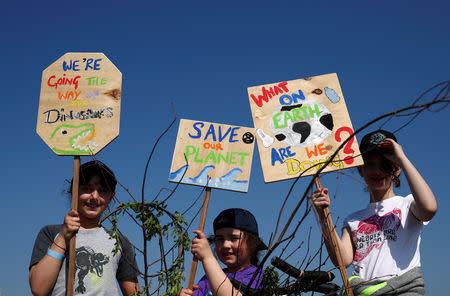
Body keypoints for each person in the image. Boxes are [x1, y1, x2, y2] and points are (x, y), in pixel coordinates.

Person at [312, 130, 437, 295]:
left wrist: (402, 158)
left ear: (397, 169)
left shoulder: (408, 205)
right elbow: (342, 260)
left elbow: (429, 208)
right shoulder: (353, 220)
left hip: (404, 290)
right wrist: (323, 216)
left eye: (385, 164)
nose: (377, 171)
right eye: (369, 164)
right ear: (360, 170)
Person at [29, 160, 140, 296]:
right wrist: (63, 237)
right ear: (73, 191)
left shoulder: (119, 241)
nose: (94, 196)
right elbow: (38, 288)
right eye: (86, 189)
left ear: (111, 197)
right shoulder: (51, 233)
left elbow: (134, 293)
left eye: (102, 191)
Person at [179, 208, 267, 296]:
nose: (225, 245)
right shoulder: (207, 279)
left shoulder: (258, 277)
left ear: (252, 245)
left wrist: (208, 258)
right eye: (220, 239)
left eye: (234, 238)